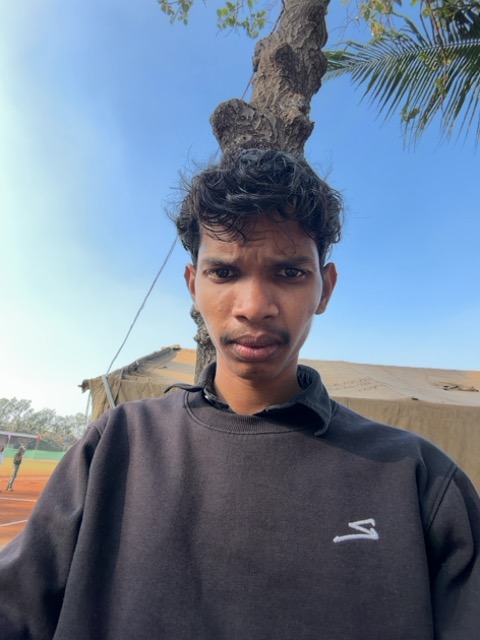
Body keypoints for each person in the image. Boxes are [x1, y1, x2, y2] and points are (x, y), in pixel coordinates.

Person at [0, 149, 479, 639]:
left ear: (326, 288)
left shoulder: (418, 479)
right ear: (193, 286)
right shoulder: (116, 445)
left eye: (289, 272)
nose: (254, 307)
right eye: (225, 273)